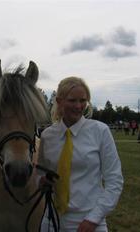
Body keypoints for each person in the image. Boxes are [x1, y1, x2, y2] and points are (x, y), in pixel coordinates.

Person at [38, 76, 123, 232]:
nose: (78, 106)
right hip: (51, 221)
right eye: (72, 101)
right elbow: (39, 174)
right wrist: (41, 181)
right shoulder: (47, 136)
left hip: (90, 223)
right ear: (59, 101)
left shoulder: (101, 131)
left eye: (83, 100)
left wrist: (93, 219)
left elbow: (114, 181)